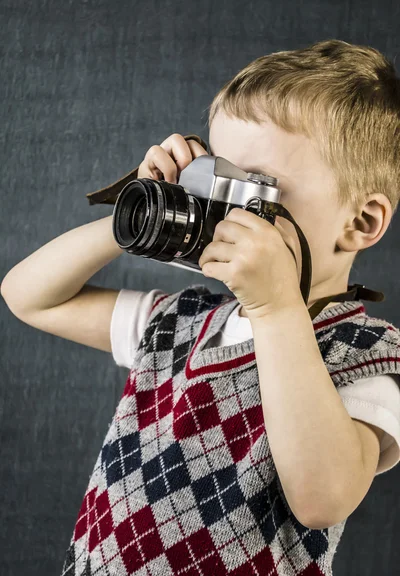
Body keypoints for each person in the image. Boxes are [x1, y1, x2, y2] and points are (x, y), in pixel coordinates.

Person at [2, 39, 400, 575]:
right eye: (219, 180)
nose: (222, 211)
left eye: (257, 190)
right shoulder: (179, 323)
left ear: (361, 223)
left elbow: (322, 498)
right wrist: (143, 211)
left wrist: (277, 309)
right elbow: (28, 297)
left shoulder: (364, 354)